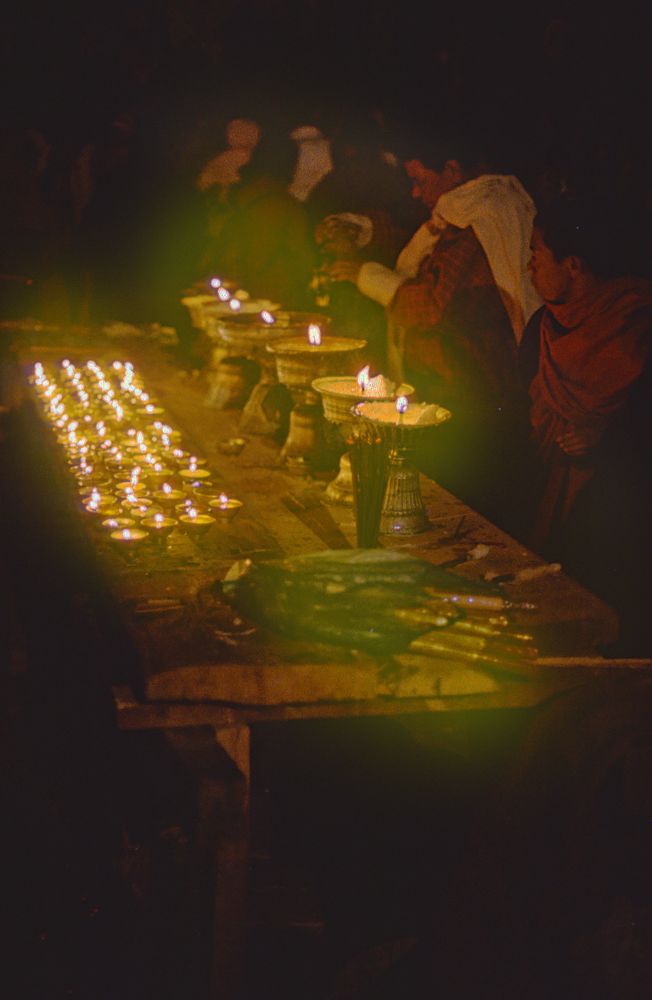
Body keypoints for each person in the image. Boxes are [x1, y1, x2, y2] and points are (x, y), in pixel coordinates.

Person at [323, 124, 540, 525]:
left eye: (419, 180)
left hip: (469, 387)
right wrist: (364, 229)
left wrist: (364, 276)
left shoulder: (479, 225)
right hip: (449, 378)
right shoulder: (459, 215)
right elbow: (416, 243)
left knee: (463, 502)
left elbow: (431, 306)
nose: (415, 193)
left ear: (453, 169)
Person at [521, 194, 652, 654]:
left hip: (621, 526)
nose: (529, 268)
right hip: (548, 508)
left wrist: (609, 441)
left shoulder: (637, 326)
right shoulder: (543, 326)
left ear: (572, 264)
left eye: (536, 255)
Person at [198, 129, 316, 308]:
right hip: (273, 300)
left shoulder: (232, 196)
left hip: (229, 294)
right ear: (289, 165)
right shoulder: (287, 207)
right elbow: (303, 257)